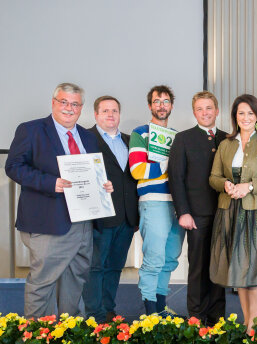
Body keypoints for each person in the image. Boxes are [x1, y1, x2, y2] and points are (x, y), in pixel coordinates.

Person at [6, 82, 113, 318]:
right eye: (63, 102)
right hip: (48, 223)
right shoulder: (31, 130)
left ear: (81, 107)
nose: (69, 108)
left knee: (75, 286)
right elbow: (13, 167)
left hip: (83, 223)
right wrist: (50, 183)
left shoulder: (88, 136)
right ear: (53, 103)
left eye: (74, 104)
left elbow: (92, 173)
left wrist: (103, 186)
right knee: (42, 285)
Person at [209, 94, 257, 334]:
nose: (245, 117)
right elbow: (213, 177)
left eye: (250, 113)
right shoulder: (225, 144)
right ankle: (247, 323)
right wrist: (226, 185)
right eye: (241, 113)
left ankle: (256, 325)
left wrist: (249, 186)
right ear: (235, 116)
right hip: (230, 213)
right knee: (240, 270)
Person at [168, 91, 228, 325]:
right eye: (200, 109)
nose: (205, 113)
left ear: (217, 110)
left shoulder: (227, 138)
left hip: (224, 213)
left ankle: (217, 317)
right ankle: (196, 316)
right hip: (196, 215)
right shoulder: (183, 139)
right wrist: (183, 211)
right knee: (198, 267)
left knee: (219, 266)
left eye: (209, 108)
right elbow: (176, 177)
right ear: (194, 112)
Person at [129, 85, 185, 317]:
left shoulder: (177, 137)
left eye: (165, 101)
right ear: (150, 105)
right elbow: (137, 169)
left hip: (178, 202)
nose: (161, 105)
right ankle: (149, 313)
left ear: (171, 105)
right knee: (153, 258)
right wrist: (169, 165)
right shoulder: (140, 133)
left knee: (170, 257)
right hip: (153, 201)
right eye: (157, 101)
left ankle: (161, 308)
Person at [84, 96, 139, 323]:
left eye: (114, 110)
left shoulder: (130, 141)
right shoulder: (86, 139)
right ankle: (93, 314)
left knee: (115, 267)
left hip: (127, 217)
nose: (110, 115)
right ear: (96, 115)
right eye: (105, 111)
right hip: (100, 216)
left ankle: (108, 309)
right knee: (96, 267)